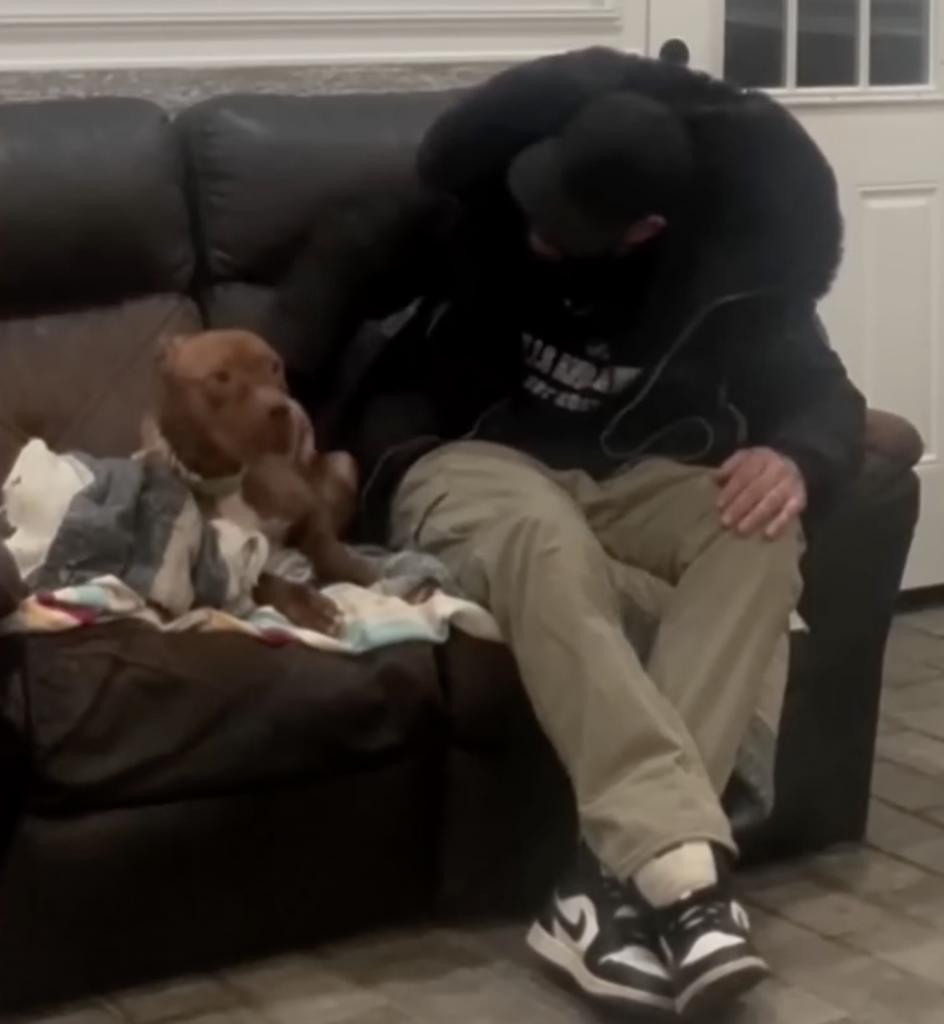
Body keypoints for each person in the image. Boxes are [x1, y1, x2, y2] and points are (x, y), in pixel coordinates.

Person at [267, 48, 865, 1020]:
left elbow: (823, 394)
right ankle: (683, 876)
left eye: (569, 229)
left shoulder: (725, 272)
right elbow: (347, 252)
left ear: (646, 230)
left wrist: (797, 456)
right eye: (540, 206)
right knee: (544, 539)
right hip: (466, 456)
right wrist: (280, 379)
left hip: (632, 476)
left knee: (758, 529)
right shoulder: (488, 205)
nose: (540, 233)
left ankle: (605, 890)